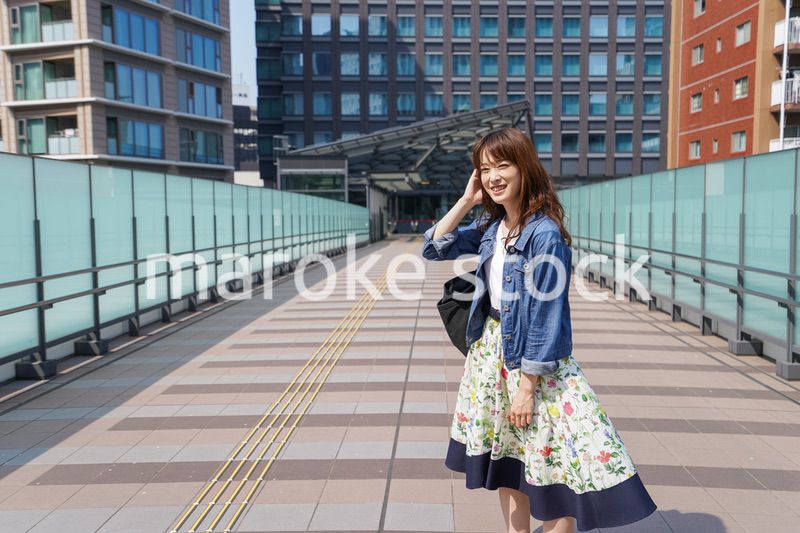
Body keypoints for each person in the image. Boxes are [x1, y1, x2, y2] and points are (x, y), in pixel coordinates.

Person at [421, 128, 656, 533]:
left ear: (524, 167)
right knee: (509, 461)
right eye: (484, 168)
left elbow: (548, 314)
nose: (493, 177)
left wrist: (527, 386)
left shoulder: (543, 234)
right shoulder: (493, 227)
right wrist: (465, 199)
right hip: (491, 357)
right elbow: (433, 247)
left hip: (533, 365)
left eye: (502, 166)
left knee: (550, 464)